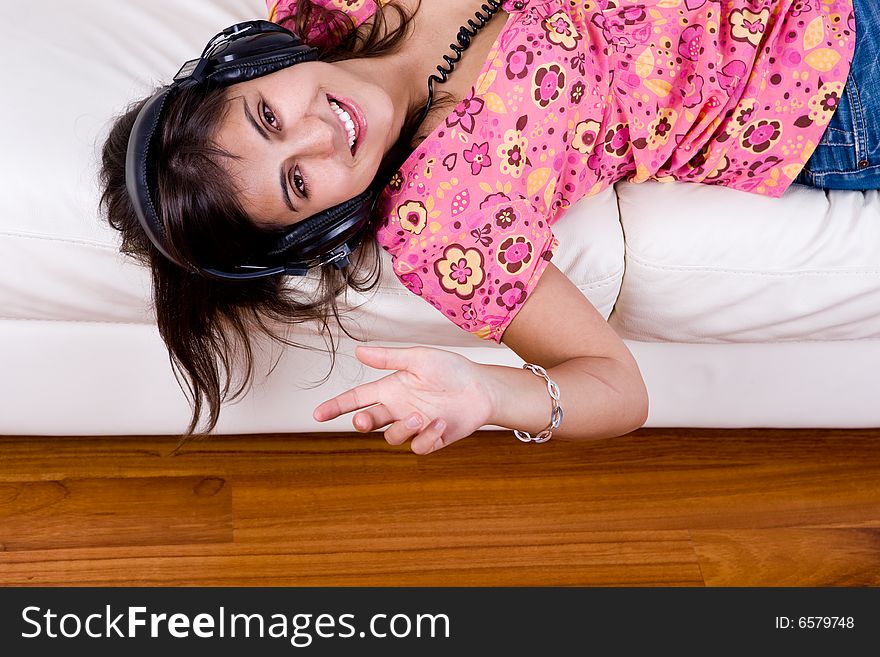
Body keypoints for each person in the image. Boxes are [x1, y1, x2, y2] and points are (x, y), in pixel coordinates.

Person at [100, 0, 868, 455]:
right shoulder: (446, 223)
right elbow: (617, 388)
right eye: (298, 182)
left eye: (268, 115)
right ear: (315, 225)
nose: (318, 133)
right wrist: (490, 394)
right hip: (837, 69)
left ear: (249, 71)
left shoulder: (325, 10)